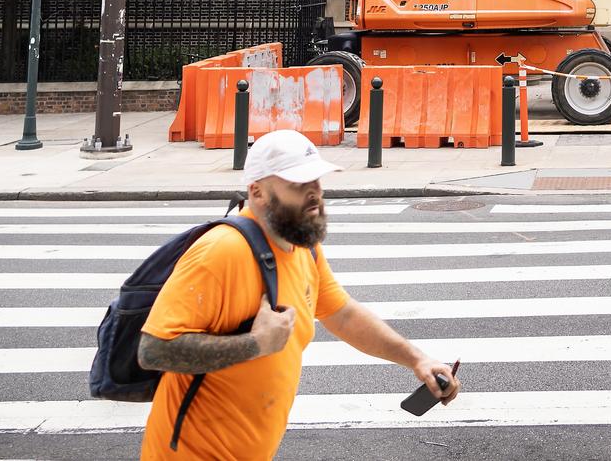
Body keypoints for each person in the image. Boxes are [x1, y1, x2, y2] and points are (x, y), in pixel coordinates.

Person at [137, 130, 460, 459]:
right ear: (257, 192)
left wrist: (416, 359)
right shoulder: (222, 252)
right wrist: (255, 345)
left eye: (316, 182)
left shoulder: (303, 248)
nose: (315, 195)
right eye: (298, 185)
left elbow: (342, 314)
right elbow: (153, 350)